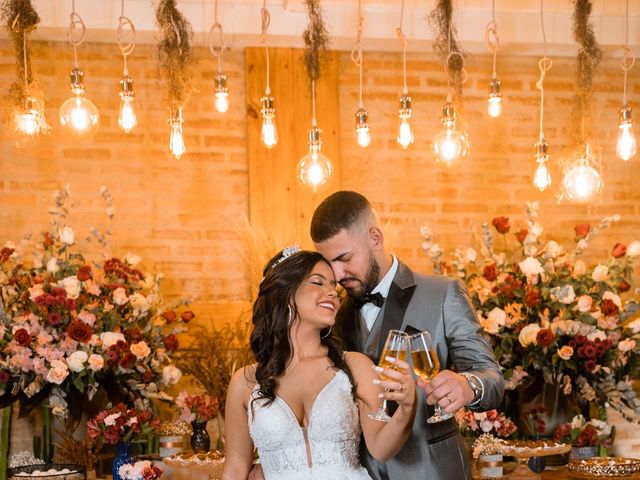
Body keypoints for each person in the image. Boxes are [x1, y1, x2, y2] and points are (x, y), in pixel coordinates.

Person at [310, 191, 505, 480]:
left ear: (375, 238)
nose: (337, 275)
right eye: (330, 264)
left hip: (433, 471)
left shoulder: (443, 293)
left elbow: (492, 377)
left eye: (345, 258)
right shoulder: (330, 314)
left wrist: (468, 385)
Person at [222, 248, 417, 480]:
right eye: (318, 283)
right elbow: (235, 469)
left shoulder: (355, 367)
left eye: (333, 286)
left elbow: (381, 448)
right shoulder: (245, 382)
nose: (333, 293)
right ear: (285, 292)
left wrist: (407, 407)